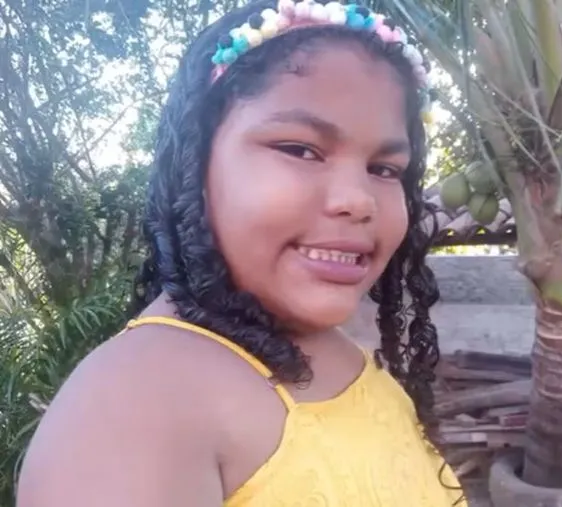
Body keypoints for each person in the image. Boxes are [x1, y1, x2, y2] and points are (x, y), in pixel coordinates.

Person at [17, 0, 466, 505]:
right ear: (195, 169)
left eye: (384, 169)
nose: (359, 201)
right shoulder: (135, 404)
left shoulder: (343, 354)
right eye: (300, 150)